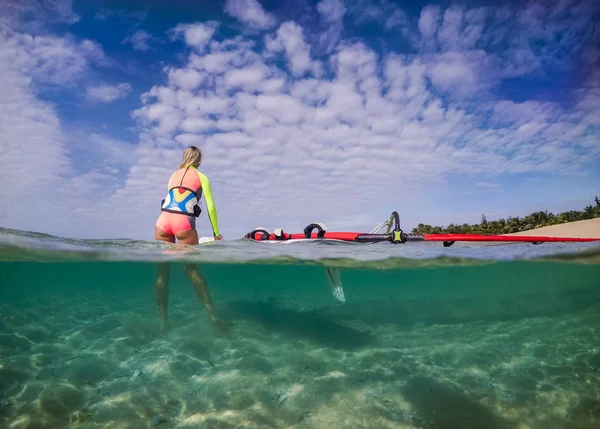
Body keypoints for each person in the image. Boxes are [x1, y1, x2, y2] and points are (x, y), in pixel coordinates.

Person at [154, 146, 229, 333]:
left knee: (162, 275)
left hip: (162, 222)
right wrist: (216, 233)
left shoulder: (172, 176)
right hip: (183, 223)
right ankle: (212, 315)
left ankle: (163, 320)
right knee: (192, 271)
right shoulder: (202, 177)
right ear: (199, 160)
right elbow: (210, 207)